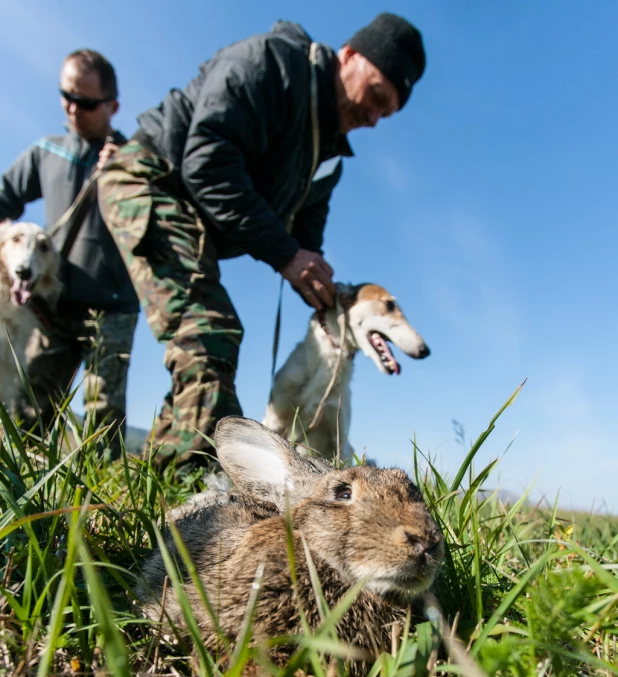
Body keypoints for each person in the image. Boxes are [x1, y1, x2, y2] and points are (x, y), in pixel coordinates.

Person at [99, 13, 425, 474]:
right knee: (208, 329)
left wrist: (322, 289)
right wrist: (287, 256)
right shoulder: (272, 64)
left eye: (385, 114)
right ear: (349, 56)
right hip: (151, 179)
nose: (373, 119)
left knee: (212, 333)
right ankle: (192, 496)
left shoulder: (328, 163)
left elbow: (304, 245)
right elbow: (207, 161)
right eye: (375, 98)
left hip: (198, 215)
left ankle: (162, 477)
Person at [0, 49, 139, 459]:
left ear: (113, 106)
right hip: (49, 308)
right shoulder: (47, 152)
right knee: (30, 407)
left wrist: (128, 172)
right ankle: (26, 503)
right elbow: (4, 199)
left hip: (113, 307)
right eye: (67, 96)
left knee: (104, 414)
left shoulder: (133, 157)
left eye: (87, 102)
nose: (73, 109)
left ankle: (105, 509)